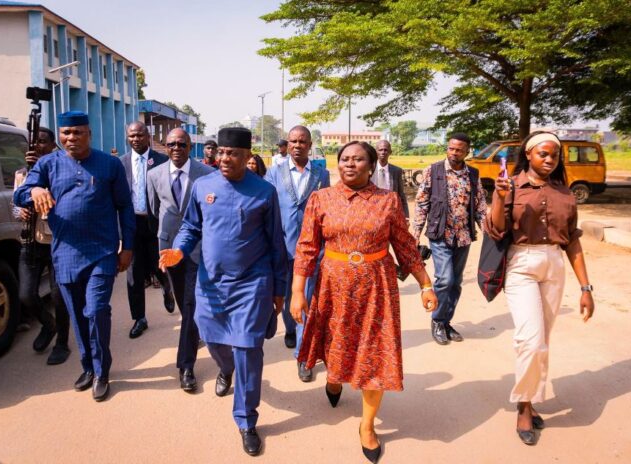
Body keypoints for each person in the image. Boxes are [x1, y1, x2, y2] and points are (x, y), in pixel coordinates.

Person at [291, 141, 437, 463]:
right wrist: (298, 291)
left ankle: (367, 425)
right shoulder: (321, 199)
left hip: (377, 289)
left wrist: (425, 284)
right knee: (335, 346)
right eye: (344, 159)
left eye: (358, 159)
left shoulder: (388, 201)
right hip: (332, 288)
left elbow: (406, 247)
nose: (350, 164)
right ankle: (333, 378)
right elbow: (305, 248)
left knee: (376, 355)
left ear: (371, 166)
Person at [159, 127, 287, 457]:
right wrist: (179, 249)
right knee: (212, 339)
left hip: (252, 283)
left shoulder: (264, 192)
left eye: (234, 153)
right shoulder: (204, 187)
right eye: (222, 153)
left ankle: (246, 419)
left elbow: (276, 243)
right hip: (211, 282)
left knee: (248, 348)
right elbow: (190, 226)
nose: (226, 158)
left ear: (247, 156)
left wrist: (279, 288)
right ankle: (226, 368)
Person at [14, 111, 135, 402]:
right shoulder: (47, 164)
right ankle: (88, 367)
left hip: (102, 252)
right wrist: (36, 189)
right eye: (66, 133)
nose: (71, 138)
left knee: (95, 311)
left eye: (77, 133)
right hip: (65, 254)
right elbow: (20, 196)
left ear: (89, 134)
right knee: (77, 317)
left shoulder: (109, 165)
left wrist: (127, 247)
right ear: (61, 135)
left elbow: (125, 207)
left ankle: (102, 370)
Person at [484, 131, 595, 446]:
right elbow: (496, 229)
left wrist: (585, 287)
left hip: (554, 265)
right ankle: (524, 405)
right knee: (530, 341)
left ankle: (529, 397)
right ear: (528, 155)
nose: (549, 160)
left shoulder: (565, 193)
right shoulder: (512, 185)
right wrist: (499, 197)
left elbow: (572, 240)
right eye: (543, 154)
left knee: (542, 340)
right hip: (521, 264)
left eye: (554, 156)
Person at [147, 128, 213, 392]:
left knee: (190, 303)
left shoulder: (207, 174)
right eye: (171, 144)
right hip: (169, 249)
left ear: (189, 147)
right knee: (187, 308)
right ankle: (194, 334)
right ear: (165, 146)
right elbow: (154, 211)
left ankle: (186, 366)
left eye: (181, 144)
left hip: (197, 249)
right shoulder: (154, 175)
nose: (176, 148)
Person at [264, 125, 330, 382]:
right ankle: (290, 329)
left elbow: (327, 209)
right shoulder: (274, 172)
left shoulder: (322, 174)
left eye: (302, 141)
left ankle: (303, 356)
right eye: (293, 141)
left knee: (307, 299)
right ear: (288, 144)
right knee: (285, 293)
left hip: (312, 248)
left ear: (310, 144)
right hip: (282, 246)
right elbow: (267, 207)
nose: (297, 145)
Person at [413, 133, 487, 345]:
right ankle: (437, 321)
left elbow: (480, 205)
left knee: (456, 283)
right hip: (440, 234)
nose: (454, 153)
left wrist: (488, 231)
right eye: (451, 148)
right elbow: (421, 203)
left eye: (459, 150)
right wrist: (415, 233)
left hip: (463, 236)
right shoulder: (433, 171)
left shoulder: (472, 174)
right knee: (445, 280)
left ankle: (446, 322)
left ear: (467, 152)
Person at [12, 127, 71, 365]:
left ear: (53, 145)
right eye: (33, 143)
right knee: (26, 294)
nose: (37, 146)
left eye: (43, 142)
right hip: (31, 241)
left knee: (59, 295)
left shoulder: (60, 170)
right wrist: (21, 210)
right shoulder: (21, 174)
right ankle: (49, 324)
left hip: (58, 241)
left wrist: (41, 180)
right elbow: (14, 205)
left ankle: (62, 343)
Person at [120, 121, 174, 339]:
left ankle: (167, 289)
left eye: (140, 135)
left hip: (155, 224)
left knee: (160, 266)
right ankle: (139, 318)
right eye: (132, 136)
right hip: (132, 224)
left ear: (148, 136)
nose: (136, 139)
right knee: (134, 274)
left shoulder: (162, 160)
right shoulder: (121, 163)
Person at [372, 140, 409, 218]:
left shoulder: (396, 171)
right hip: (372, 211)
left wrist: (406, 216)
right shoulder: (369, 170)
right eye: (380, 150)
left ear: (390, 152)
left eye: (386, 150)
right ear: (376, 152)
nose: (383, 152)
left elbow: (401, 194)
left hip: (390, 211)